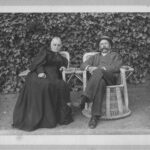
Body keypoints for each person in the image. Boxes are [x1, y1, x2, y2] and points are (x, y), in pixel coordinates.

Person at [12, 37, 73, 131]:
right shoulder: (45, 52)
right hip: (39, 74)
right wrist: (40, 72)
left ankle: (55, 116)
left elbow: (63, 64)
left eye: (58, 45)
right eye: (54, 44)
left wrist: (63, 67)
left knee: (62, 85)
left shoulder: (62, 58)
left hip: (53, 76)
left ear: (61, 46)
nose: (56, 47)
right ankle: (41, 117)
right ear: (51, 45)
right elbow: (37, 63)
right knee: (44, 85)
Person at [80, 36, 122, 129]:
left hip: (111, 79)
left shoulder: (115, 55)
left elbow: (117, 67)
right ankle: (94, 117)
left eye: (106, 43)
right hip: (100, 81)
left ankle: (86, 95)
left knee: (99, 71)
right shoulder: (95, 57)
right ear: (99, 47)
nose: (104, 45)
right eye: (101, 44)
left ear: (110, 46)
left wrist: (103, 69)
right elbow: (83, 65)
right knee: (100, 83)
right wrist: (89, 67)